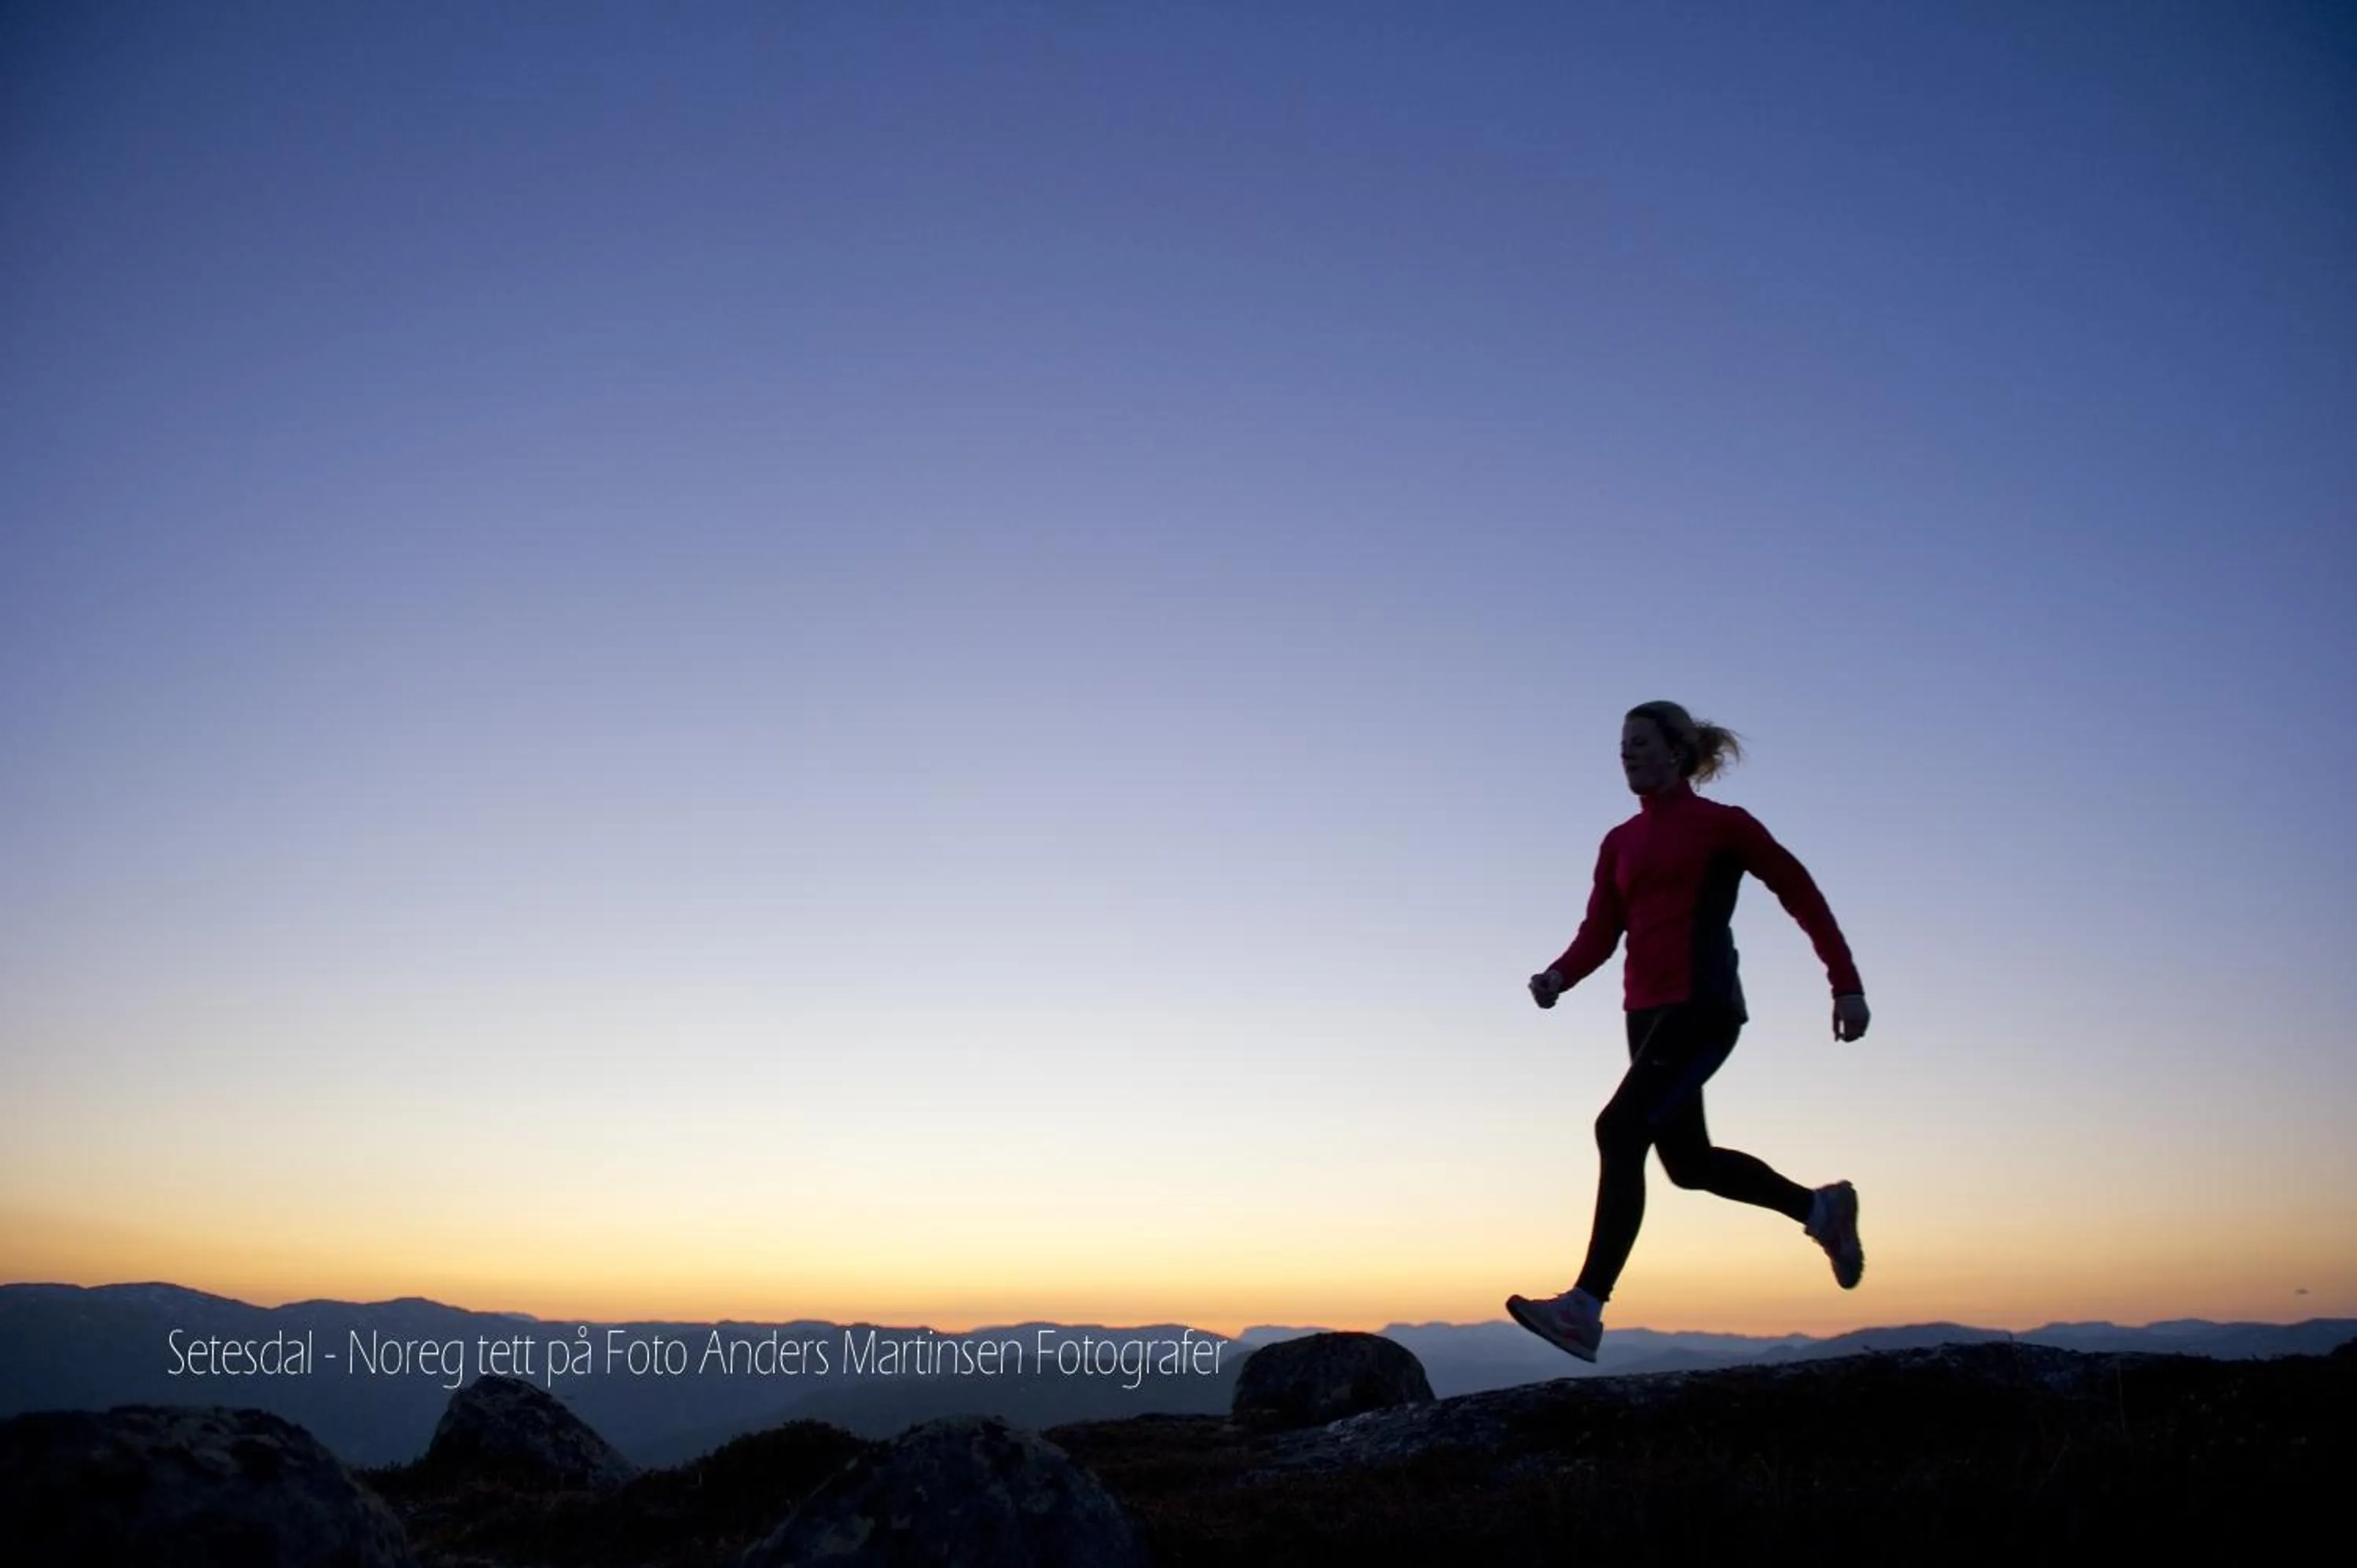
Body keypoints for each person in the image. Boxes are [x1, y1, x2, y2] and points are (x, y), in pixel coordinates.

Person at [1506, 700, 1871, 1364]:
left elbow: (1801, 894)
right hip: (1644, 1014)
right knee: (1688, 1164)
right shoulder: (1619, 841)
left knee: (1619, 1130)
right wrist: (1559, 975)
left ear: (1677, 751)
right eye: (1622, 744)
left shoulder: (1722, 825)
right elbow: (1601, 931)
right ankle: (1821, 1211)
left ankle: (1584, 1307)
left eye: (1640, 742)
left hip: (1703, 1006)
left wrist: (1845, 985)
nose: (1627, 753)